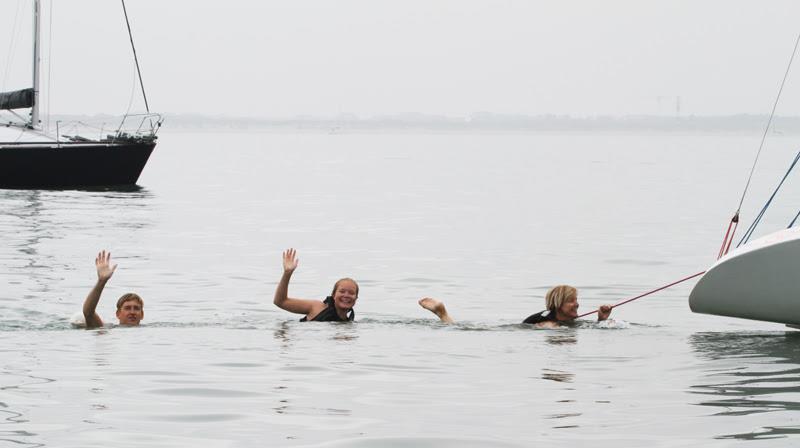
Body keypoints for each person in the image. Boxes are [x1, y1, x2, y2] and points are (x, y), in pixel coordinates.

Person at [419, 284, 612, 328]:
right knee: (456, 328)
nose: (577, 304)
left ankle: (443, 314)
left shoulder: (564, 321)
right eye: (571, 300)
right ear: (558, 304)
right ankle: (443, 314)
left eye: (577, 299)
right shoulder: (548, 324)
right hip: (506, 329)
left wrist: (601, 320)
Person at [273, 248, 357, 322]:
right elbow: (280, 302)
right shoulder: (317, 307)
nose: (346, 295)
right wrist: (287, 273)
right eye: (342, 291)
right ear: (333, 295)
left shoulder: (349, 324)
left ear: (356, 298)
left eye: (351, 293)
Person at [81, 250, 144, 329]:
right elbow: (88, 312)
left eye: (136, 308)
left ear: (142, 315)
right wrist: (102, 281)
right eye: (127, 308)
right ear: (118, 314)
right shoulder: (109, 329)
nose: (132, 312)